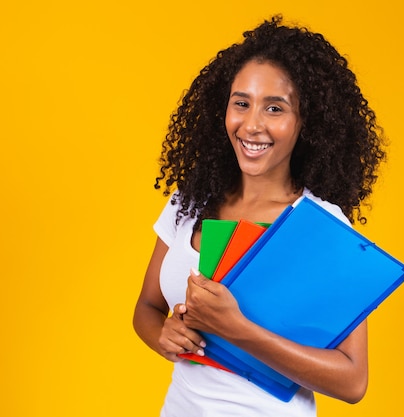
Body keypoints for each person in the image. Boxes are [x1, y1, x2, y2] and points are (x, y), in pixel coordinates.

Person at [133, 15, 386, 416]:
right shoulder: (191, 199)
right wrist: (164, 334)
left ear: (306, 122)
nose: (252, 125)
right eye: (241, 103)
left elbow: (353, 380)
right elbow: (146, 309)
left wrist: (237, 330)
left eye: (274, 108)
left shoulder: (320, 225)